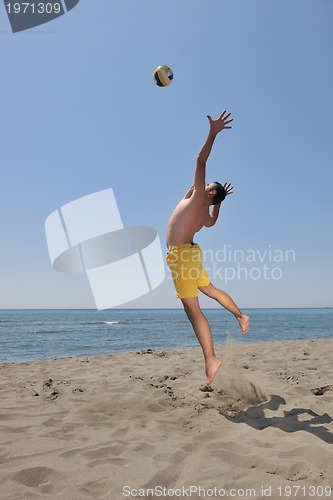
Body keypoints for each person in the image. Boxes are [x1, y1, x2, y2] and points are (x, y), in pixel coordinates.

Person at [166, 110, 250, 386]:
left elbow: (200, 159)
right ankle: (241, 315)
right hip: (190, 252)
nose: (201, 182)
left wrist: (212, 133)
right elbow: (211, 223)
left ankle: (211, 359)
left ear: (209, 191)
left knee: (193, 309)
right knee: (209, 289)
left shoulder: (201, 196)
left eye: (206, 184)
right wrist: (220, 201)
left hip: (182, 255)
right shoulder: (204, 211)